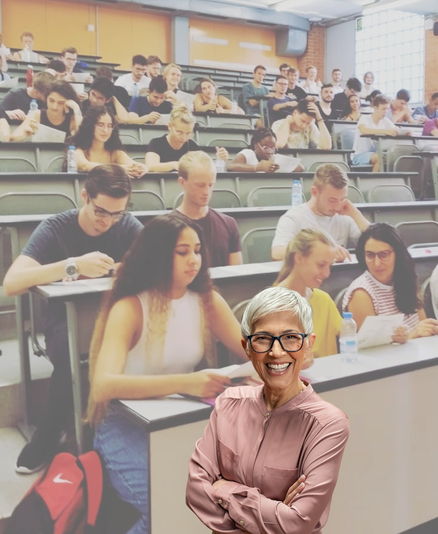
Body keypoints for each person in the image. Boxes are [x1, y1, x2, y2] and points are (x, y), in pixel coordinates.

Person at [89, 213, 246, 534]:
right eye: (182, 252)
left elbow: (250, 351)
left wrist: (286, 354)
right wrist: (186, 384)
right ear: (158, 256)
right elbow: (102, 387)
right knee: (168, 502)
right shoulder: (130, 307)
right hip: (123, 424)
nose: (194, 260)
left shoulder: (207, 301)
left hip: (183, 416)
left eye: (198, 250)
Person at [3, 165, 144, 474]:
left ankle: (114, 433)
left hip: (115, 317)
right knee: (72, 356)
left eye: (117, 213)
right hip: (62, 320)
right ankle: (50, 431)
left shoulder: (127, 224)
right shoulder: (56, 227)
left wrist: (119, 269)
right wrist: (72, 265)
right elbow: (12, 282)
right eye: (101, 211)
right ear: (84, 196)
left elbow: (156, 263)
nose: (109, 221)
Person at [186, 286, 350, 534]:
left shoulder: (328, 424)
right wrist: (273, 511)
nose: (276, 351)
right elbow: (195, 491)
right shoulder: (228, 403)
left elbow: (296, 523)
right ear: (247, 347)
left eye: (290, 338)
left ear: (308, 345)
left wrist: (226, 490)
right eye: (263, 338)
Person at [343, 223, 438, 340]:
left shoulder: (406, 278)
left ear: (397, 254)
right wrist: (412, 336)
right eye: (370, 255)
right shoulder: (361, 293)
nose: (377, 263)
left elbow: (423, 325)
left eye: (383, 254)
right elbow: (370, 348)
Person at [271, 164, 369, 261]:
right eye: (332, 200)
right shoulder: (294, 217)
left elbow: (376, 241)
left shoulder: (344, 214)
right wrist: (320, 251)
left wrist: (356, 214)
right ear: (315, 192)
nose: (338, 206)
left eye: (342, 199)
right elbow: (277, 252)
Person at [274, 229, 340, 358]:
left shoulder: (323, 299)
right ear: (299, 258)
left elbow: (349, 335)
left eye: (330, 266)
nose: (326, 273)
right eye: (321, 265)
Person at [175, 151, 242, 266]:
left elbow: (236, 274)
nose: (207, 192)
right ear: (182, 182)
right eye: (200, 185)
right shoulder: (165, 228)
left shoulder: (229, 224)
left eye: (211, 185)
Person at [68, 105, 148, 178]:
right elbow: (85, 165)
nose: (105, 130)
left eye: (109, 126)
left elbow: (132, 165)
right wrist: (118, 169)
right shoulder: (79, 150)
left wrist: (142, 168)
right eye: (100, 125)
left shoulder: (115, 152)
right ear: (90, 126)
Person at [145, 104, 227, 172]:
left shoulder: (191, 145)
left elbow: (204, 165)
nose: (184, 138)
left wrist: (219, 159)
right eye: (179, 132)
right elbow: (151, 166)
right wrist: (175, 164)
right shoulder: (156, 143)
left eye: (188, 133)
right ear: (169, 126)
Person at [8, 80, 82, 141]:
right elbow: (12, 139)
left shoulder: (73, 119)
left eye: (60, 103)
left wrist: (76, 109)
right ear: (46, 98)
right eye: (51, 101)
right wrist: (24, 134)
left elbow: (83, 140)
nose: (54, 107)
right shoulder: (37, 114)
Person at [353, 94, 400, 172]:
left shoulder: (385, 120)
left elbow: (395, 129)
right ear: (375, 108)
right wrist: (386, 131)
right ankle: (373, 182)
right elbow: (364, 130)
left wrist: (407, 132)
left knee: (392, 156)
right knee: (380, 157)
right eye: (383, 109)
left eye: (387, 109)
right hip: (359, 155)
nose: (386, 111)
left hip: (375, 153)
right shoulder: (364, 118)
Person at [227, 127, 303, 173]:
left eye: (273, 148)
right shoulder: (248, 154)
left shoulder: (273, 157)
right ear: (256, 145)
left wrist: (281, 165)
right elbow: (230, 166)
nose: (270, 151)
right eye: (265, 147)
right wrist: (257, 168)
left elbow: (300, 168)